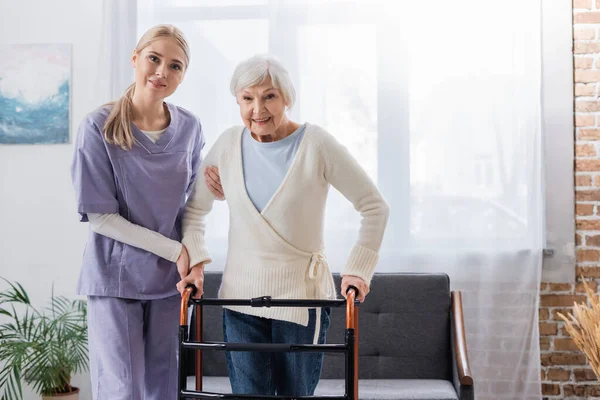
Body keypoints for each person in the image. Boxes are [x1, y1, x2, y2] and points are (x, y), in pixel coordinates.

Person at [177, 54, 390, 396]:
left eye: (269, 96)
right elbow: (194, 213)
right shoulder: (228, 145)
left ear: (287, 98)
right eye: (247, 98)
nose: (257, 109)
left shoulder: (316, 144)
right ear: (237, 101)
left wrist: (358, 270)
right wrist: (198, 265)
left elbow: (375, 206)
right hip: (239, 300)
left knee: (295, 395)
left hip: (301, 300)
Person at [70, 24, 223, 400]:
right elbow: (101, 217)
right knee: (123, 389)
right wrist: (177, 251)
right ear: (135, 58)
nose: (162, 72)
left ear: (183, 76)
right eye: (154, 59)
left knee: (164, 386)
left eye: (175, 66)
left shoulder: (189, 127)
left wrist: (216, 191)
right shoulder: (98, 126)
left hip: (169, 282)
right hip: (115, 277)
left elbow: (191, 206)